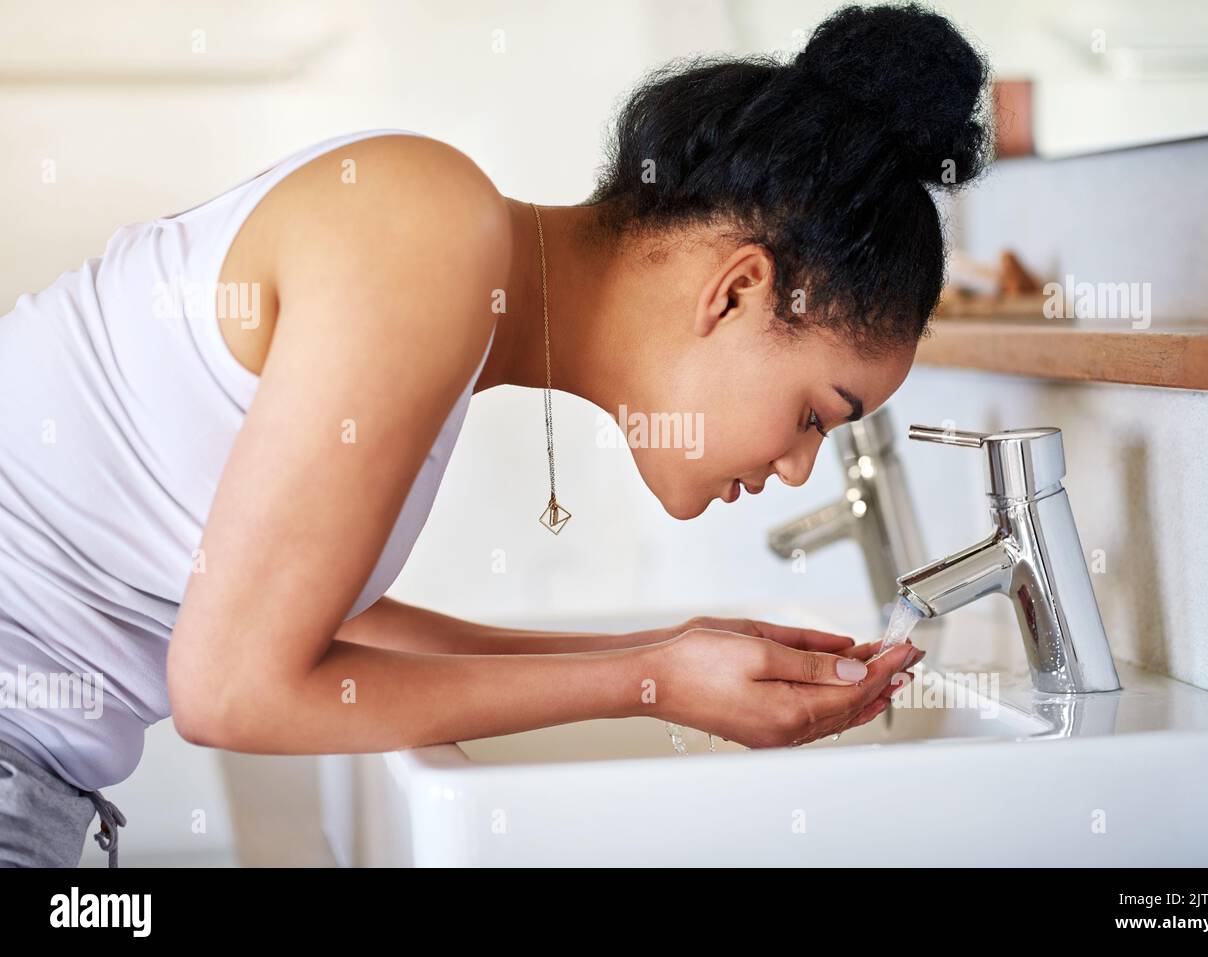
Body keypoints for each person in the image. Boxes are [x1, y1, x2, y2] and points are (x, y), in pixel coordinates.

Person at [0, 3, 988, 866]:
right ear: (734, 294)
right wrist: (649, 682)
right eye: (817, 413)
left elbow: (311, 620)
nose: (795, 464)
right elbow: (236, 692)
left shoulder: (441, 257)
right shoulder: (426, 231)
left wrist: (671, 651)